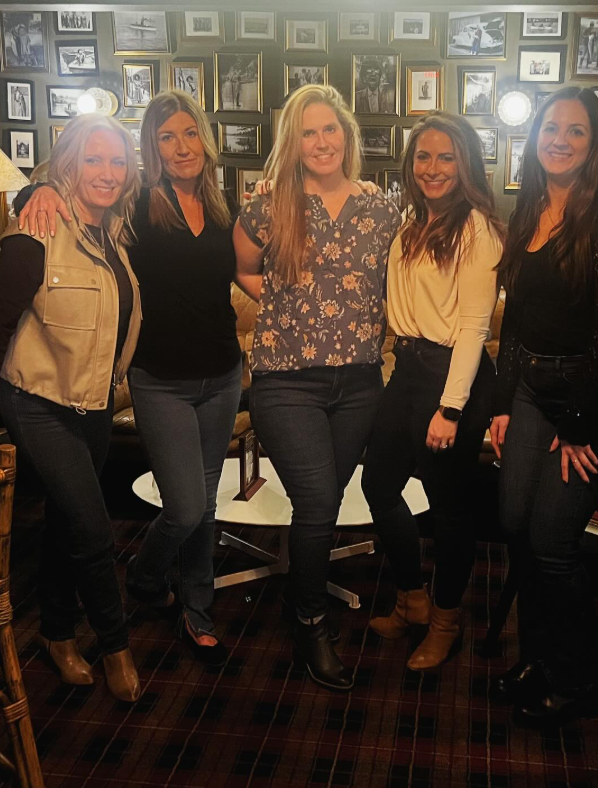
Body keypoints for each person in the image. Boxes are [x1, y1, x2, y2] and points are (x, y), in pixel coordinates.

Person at [18, 91, 242, 669]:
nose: (181, 146)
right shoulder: (136, 205)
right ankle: (143, 578)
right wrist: (34, 187)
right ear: (152, 148)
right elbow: (68, 192)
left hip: (222, 376)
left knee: (207, 505)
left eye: (190, 132)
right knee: (187, 507)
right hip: (159, 380)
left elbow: (249, 272)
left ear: (205, 139)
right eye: (166, 137)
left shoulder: (225, 205)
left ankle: (197, 609)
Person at [233, 84, 400, 691]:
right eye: (308, 132)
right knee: (319, 500)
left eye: (330, 129)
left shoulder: (380, 206)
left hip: (358, 382)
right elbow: (247, 271)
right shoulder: (266, 205)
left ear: (348, 137)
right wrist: (289, 312)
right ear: (293, 142)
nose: (321, 141)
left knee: (329, 496)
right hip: (286, 382)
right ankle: (310, 620)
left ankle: (301, 600)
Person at [488, 86, 598, 726]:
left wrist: (578, 424)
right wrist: (502, 403)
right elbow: (517, 322)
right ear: (535, 138)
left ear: (594, 144)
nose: (560, 140)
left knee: (552, 543)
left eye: (576, 131)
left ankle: (579, 680)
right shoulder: (525, 209)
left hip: (592, 397)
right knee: (515, 528)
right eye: (552, 128)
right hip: (529, 388)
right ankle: (538, 659)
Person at [0, 114, 142, 701]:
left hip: (93, 405)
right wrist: (35, 192)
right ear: (67, 165)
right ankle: (116, 646)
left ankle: (57, 634)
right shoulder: (37, 228)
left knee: (64, 521)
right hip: (38, 401)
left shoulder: (115, 235)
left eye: (116, 161)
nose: (106, 173)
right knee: (91, 527)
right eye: (92, 160)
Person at [361, 112, 505, 670]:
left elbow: (474, 327)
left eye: (446, 157)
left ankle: (446, 619)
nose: (433, 167)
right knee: (378, 484)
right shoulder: (407, 221)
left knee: (449, 511)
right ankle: (412, 599)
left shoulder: (477, 229)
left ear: (465, 162)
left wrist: (451, 407)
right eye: (423, 156)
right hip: (409, 369)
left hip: (453, 380)